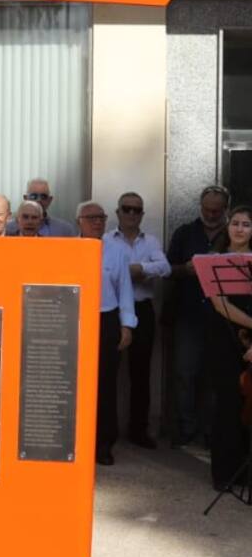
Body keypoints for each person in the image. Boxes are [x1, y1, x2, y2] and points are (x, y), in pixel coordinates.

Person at [167, 184, 230, 449]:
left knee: (217, 376)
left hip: (224, 317)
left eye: (217, 210)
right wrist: (186, 269)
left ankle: (211, 431)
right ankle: (187, 429)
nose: (212, 214)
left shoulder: (233, 234)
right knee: (185, 374)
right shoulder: (184, 233)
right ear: (200, 207)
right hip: (189, 314)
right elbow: (167, 269)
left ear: (225, 209)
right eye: (207, 209)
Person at [105, 192, 169, 449]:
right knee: (107, 373)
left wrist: (139, 269)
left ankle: (138, 430)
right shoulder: (106, 240)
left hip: (142, 310)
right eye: (126, 209)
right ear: (117, 212)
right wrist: (130, 272)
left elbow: (164, 268)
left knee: (141, 373)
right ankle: (104, 431)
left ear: (142, 214)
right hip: (113, 311)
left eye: (136, 210)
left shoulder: (151, 241)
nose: (131, 214)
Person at [78, 200, 135, 466]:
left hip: (107, 319)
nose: (97, 222)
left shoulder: (117, 251)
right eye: (90, 218)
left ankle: (103, 444)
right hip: (77, 320)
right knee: (76, 384)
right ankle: (77, 442)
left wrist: (126, 326)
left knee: (106, 385)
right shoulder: (69, 248)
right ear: (79, 221)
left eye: (100, 217)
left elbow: (125, 290)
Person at [204, 205, 252, 492]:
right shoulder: (212, 261)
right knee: (226, 406)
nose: (240, 229)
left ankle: (246, 472)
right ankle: (223, 473)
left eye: (247, 224)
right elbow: (218, 303)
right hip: (224, 339)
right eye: (236, 223)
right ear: (227, 226)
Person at [6, 179, 77, 236]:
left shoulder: (65, 230)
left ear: (50, 200)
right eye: (33, 196)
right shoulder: (8, 229)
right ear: (25, 198)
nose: (38, 200)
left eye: (43, 196)